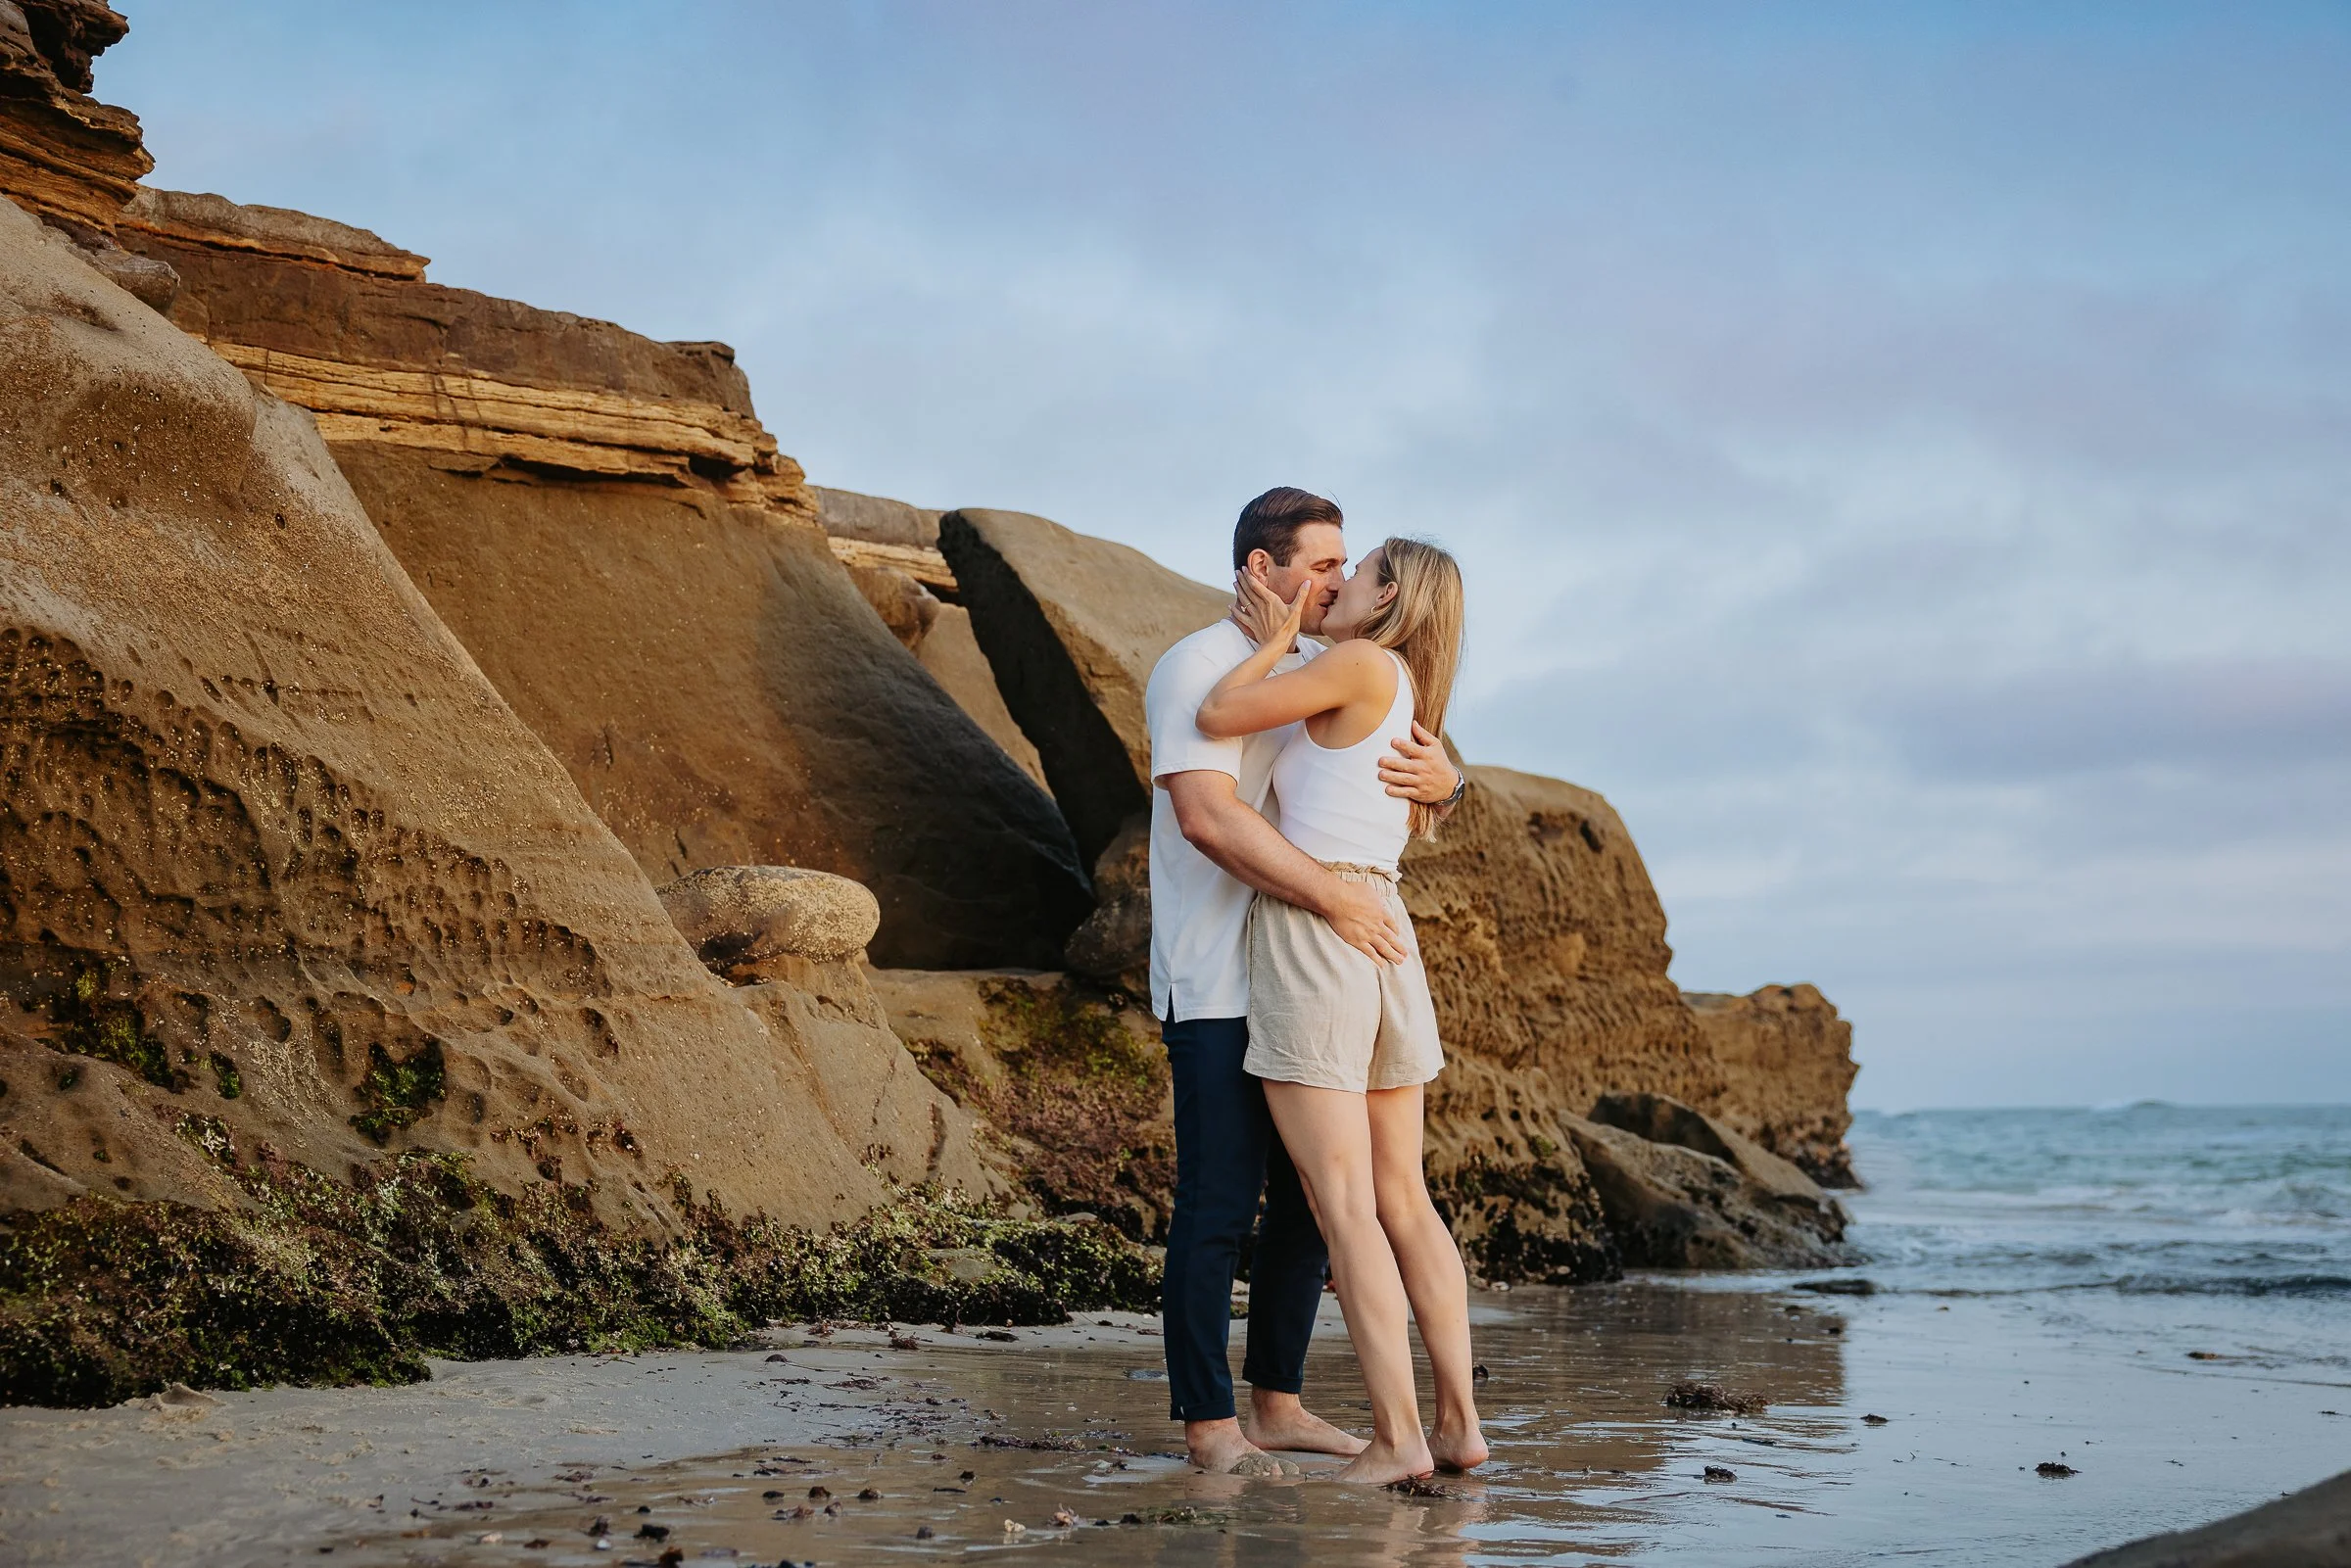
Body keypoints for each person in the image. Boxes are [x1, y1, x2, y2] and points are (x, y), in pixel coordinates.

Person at [1144, 488, 1466, 1477]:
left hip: (1310, 966)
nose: (1333, 580)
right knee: (1220, 1201)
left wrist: (1451, 780)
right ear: (1262, 568)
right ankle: (1212, 1419)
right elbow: (1208, 815)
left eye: (1346, 566)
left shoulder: (1325, 666)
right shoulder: (1198, 663)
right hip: (1222, 970)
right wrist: (1336, 896)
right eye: (1320, 563)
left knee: (1317, 1207)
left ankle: (1281, 1401)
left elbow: (1384, 758)